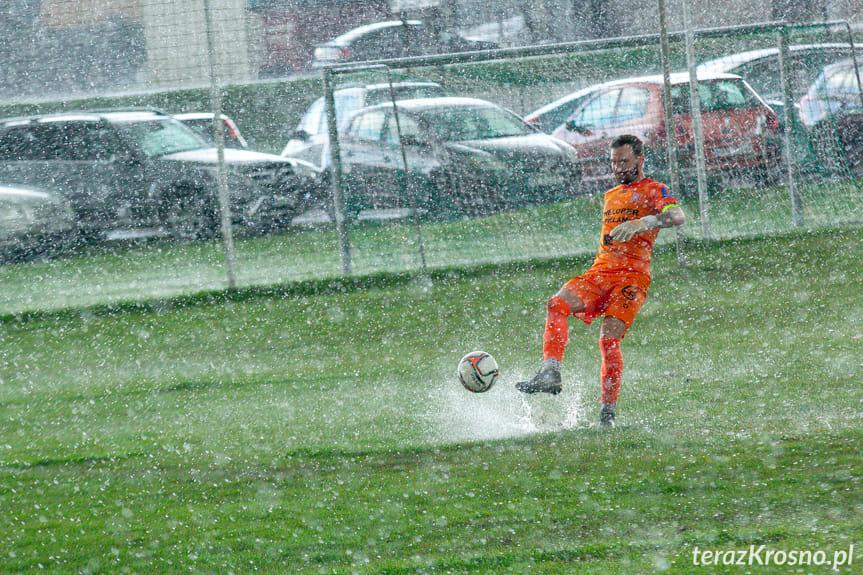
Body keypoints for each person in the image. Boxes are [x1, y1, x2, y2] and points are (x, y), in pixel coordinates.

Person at [516, 134, 685, 427]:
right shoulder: (611, 195)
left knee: (608, 340)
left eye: (624, 161)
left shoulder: (655, 189)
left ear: (640, 159)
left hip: (632, 278)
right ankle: (550, 372)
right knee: (556, 304)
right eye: (614, 162)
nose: (618, 168)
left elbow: (677, 216)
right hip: (600, 273)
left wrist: (644, 222)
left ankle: (607, 415)